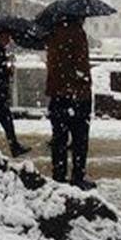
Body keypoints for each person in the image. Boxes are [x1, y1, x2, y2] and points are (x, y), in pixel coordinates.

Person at [44, 18, 95, 189]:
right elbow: (80, 65)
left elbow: (54, 65)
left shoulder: (52, 34)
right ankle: (77, 176)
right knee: (80, 139)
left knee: (59, 138)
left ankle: (59, 175)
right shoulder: (77, 34)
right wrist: (84, 80)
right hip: (77, 96)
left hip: (57, 94)